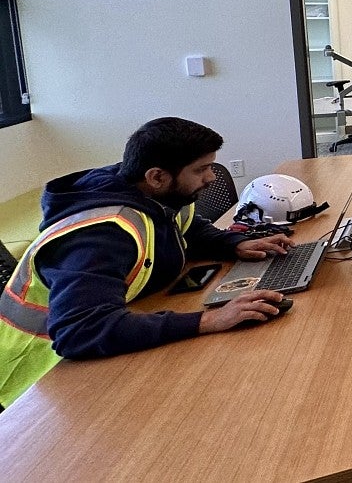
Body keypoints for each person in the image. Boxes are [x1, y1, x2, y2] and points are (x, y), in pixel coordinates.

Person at [0, 117, 295, 407]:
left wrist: (235, 243)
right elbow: (81, 331)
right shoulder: (102, 233)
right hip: (36, 382)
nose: (212, 177)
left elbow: (187, 228)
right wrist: (207, 320)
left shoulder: (153, 195)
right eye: (201, 169)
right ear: (156, 177)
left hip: (99, 349)